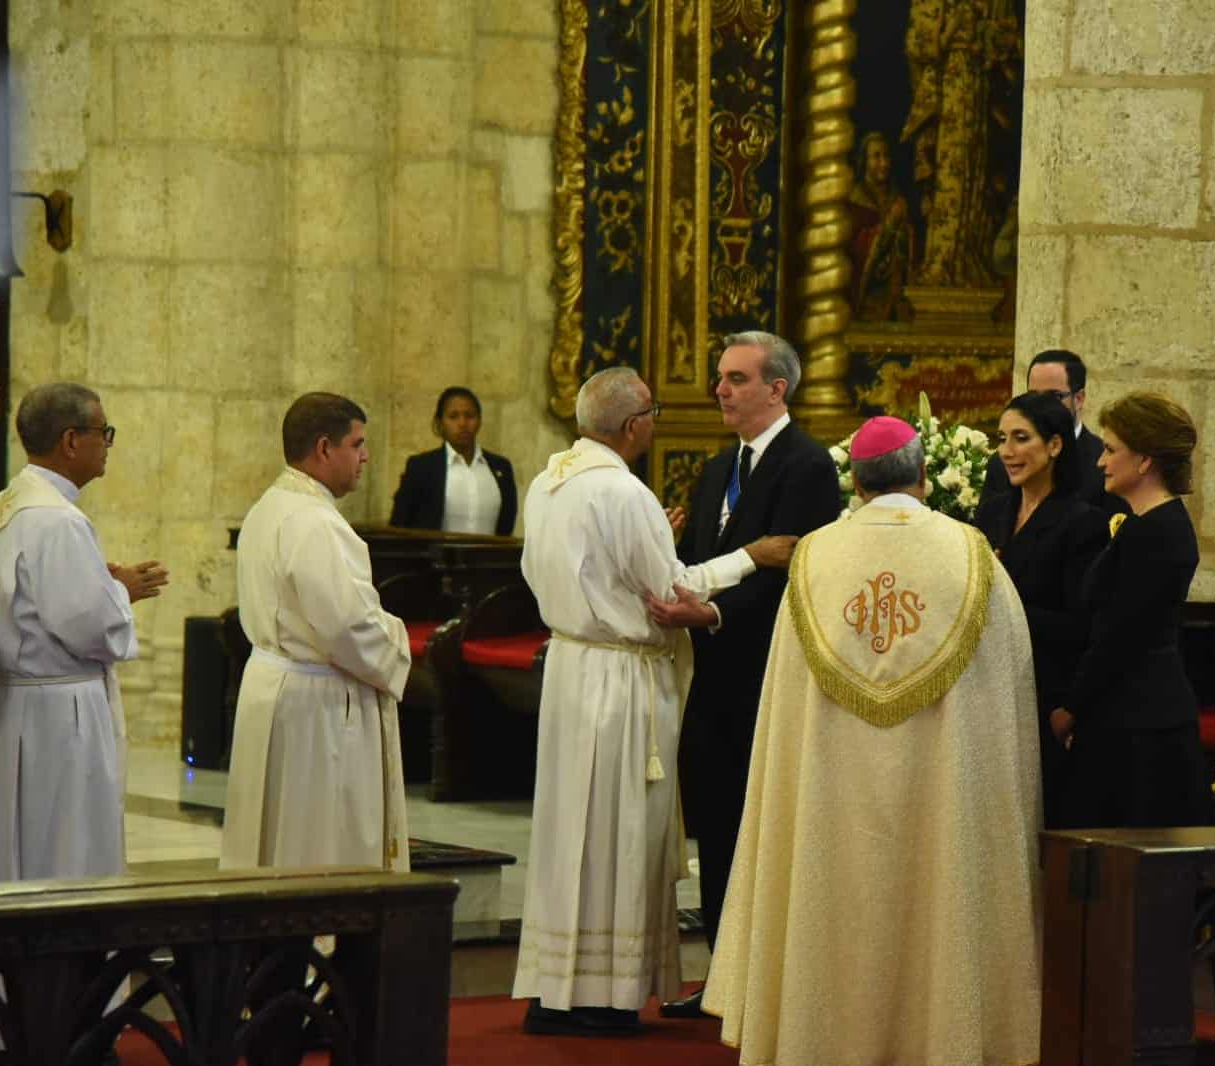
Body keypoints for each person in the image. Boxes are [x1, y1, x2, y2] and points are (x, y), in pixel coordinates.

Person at [701, 416, 1042, 1066]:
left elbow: (782, 703)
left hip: (828, 804)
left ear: (854, 480)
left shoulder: (815, 557)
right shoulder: (970, 555)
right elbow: (1006, 687)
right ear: (921, 474)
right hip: (940, 801)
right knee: (939, 886)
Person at [511, 367, 796, 1038]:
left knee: (567, 832)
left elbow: (579, 566)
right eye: (654, 413)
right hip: (620, 681)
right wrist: (750, 557)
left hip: (571, 670)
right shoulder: (622, 492)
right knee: (616, 831)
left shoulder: (548, 480)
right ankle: (604, 995)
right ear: (635, 425)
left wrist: (650, 541)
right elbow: (673, 593)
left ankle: (556, 987)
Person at [656, 331, 843, 1018]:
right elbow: (712, 555)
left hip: (767, 673)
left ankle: (761, 982)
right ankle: (719, 975)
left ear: (777, 388)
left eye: (735, 378)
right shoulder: (715, 469)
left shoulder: (807, 466)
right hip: (712, 679)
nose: (720, 390)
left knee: (757, 826)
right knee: (715, 821)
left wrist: (710, 613)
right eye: (718, 378)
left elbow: (797, 570)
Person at [0, 383, 167, 883]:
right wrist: (122, 592)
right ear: (71, 440)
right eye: (104, 432)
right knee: (65, 843)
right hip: (61, 714)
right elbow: (91, 630)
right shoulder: (59, 521)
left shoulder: (3, 504)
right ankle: (67, 959)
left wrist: (100, 582)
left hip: (15, 704)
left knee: (19, 841)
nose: (107, 443)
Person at [221, 393, 412, 873]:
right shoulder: (315, 522)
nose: (365, 456)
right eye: (358, 443)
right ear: (325, 449)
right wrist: (398, 643)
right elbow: (347, 627)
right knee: (315, 843)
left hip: (274, 686)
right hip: (315, 707)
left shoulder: (271, 505)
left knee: (273, 839)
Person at [1051, 392, 1215, 829]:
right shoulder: (1144, 525)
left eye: (1110, 451)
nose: (1100, 463)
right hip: (1126, 713)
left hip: (1140, 724)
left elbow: (1120, 638)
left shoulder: (1158, 533)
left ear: (1144, 460)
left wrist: (1071, 708)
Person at [976, 391, 1108, 828]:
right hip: (988, 688)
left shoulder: (1081, 522)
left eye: (1021, 438)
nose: (1008, 452)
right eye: (1002, 439)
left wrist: (999, 598)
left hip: (1043, 690)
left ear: (1054, 445)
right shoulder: (994, 511)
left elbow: (1079, 625)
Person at [976, 348, 1123, 518]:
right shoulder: (1000, 464)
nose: (1040, 406)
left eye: (1054, 396)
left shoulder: (1103, 462)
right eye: (1033, 396)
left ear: (1079, 399)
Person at [390, 386, 517, 535]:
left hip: (489, 557)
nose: (462, 423)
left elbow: (507, 523)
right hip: (435, 557)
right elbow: (400, 524)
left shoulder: (501, 467)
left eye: (469, 416)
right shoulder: (422, 467)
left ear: (479, 421)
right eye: (453, 416)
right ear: (440, 422)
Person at [847, 131, 915, 322]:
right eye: (876, 157)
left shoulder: (897, 200)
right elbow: (856, 250)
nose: (884, 163)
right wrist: (890, 225)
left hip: (894, 296)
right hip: (865, 297)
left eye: (886, 156)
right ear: (864, 161)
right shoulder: (855, 201)